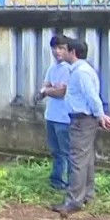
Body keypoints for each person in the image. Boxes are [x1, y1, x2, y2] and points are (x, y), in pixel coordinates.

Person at [52, 39, 110, 216]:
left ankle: (74, 201)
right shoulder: (81, 70)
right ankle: (87, 194)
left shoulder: (81, 73)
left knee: (77, 160)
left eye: (64, 50)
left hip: (82, 120)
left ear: (72, 52)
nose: (61, 53)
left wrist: (100, 115)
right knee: (86, 158)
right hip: (84, 119)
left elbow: (92, 96)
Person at [37, 35, 71, 190]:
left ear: (67, 49)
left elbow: (61, 92)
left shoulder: (69, 68)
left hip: (65, 118)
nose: (57, 51)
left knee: (67, 152)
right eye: (55, 48)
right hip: (51, 115)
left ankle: (72, 183)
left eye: (61, 48)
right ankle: (56, 180)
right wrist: (49, 89)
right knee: (56, 152)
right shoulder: (52, 68)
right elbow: (45, 88)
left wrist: (47, 90)